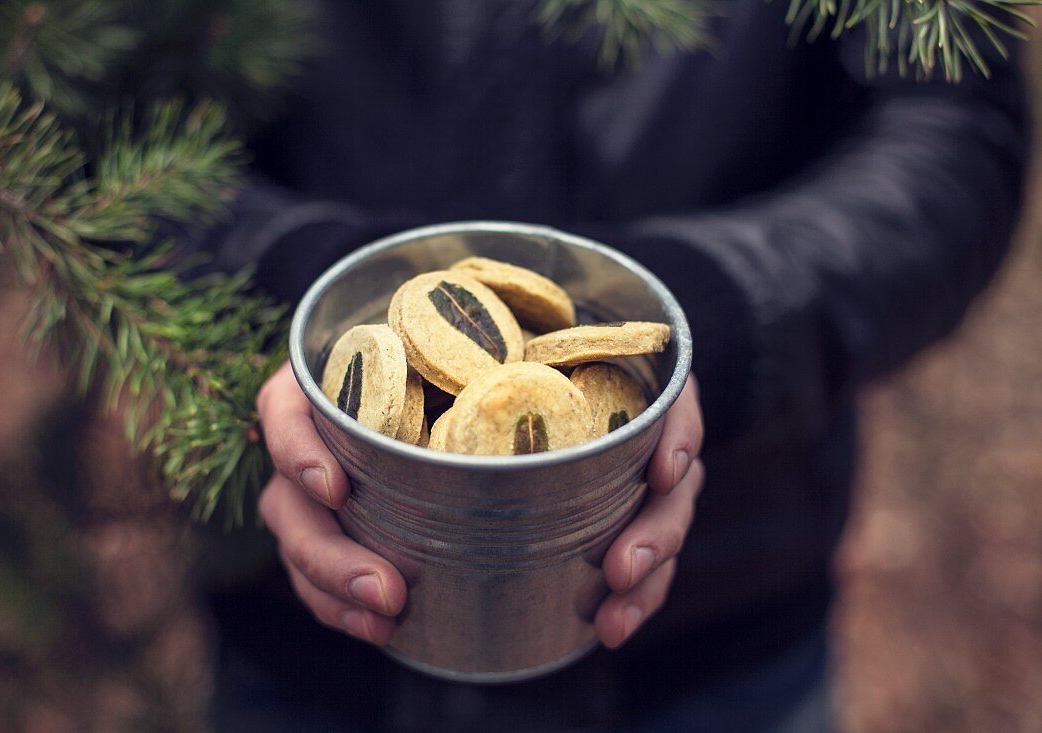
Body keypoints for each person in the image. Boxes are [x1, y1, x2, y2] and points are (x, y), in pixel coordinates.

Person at [194, 2, 1030, 731]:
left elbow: (955, 126)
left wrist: (720, 314)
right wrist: (296, 289)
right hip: (302, 658)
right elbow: (94, 124)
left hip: (721, 645)